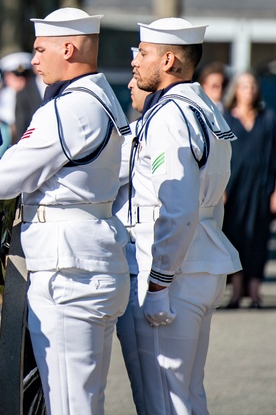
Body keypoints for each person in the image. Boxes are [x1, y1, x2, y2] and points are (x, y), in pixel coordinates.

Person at [0, 7, 131, 415]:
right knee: (84, 399)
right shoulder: (102, 98)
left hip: (69, 269)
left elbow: (3, 180)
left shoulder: (69, 108)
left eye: (39, 49)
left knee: (70, 404)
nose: (33, 60)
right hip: (90, 256)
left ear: (68, 49)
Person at [127, 18, 241, 415]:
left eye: (143, 53)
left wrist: (158, 283)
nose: (135, 63)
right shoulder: (203, 106)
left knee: (167, 401)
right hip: (200, 262)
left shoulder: (170, 115)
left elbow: (177, 207)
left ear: (169, 59)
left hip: (174, 273)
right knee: (188, 395)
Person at [221, 71, 276, 309]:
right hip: (234, 192)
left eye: (252, 85)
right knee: (234, 239)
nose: (248, 90)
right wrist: (219, 189)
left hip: (260, 190)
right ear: (235, 90)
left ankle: (255, 292)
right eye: (244, 86)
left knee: (259, 239)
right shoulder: (226, 119)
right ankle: (237, 291)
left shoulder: (268, 118)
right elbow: (218, 158)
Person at [113, 70, 151, 415]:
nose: (129, 86)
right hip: (146, 262)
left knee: (151, 391)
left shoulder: (144, 131)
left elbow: (109, 173)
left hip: (141, 264)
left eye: (137, 80)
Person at [0, 51, 32, 150]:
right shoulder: (0, 96)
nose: (22, 79)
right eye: (17, 74)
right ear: (7, 76)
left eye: (25, 74)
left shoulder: (34, 96)